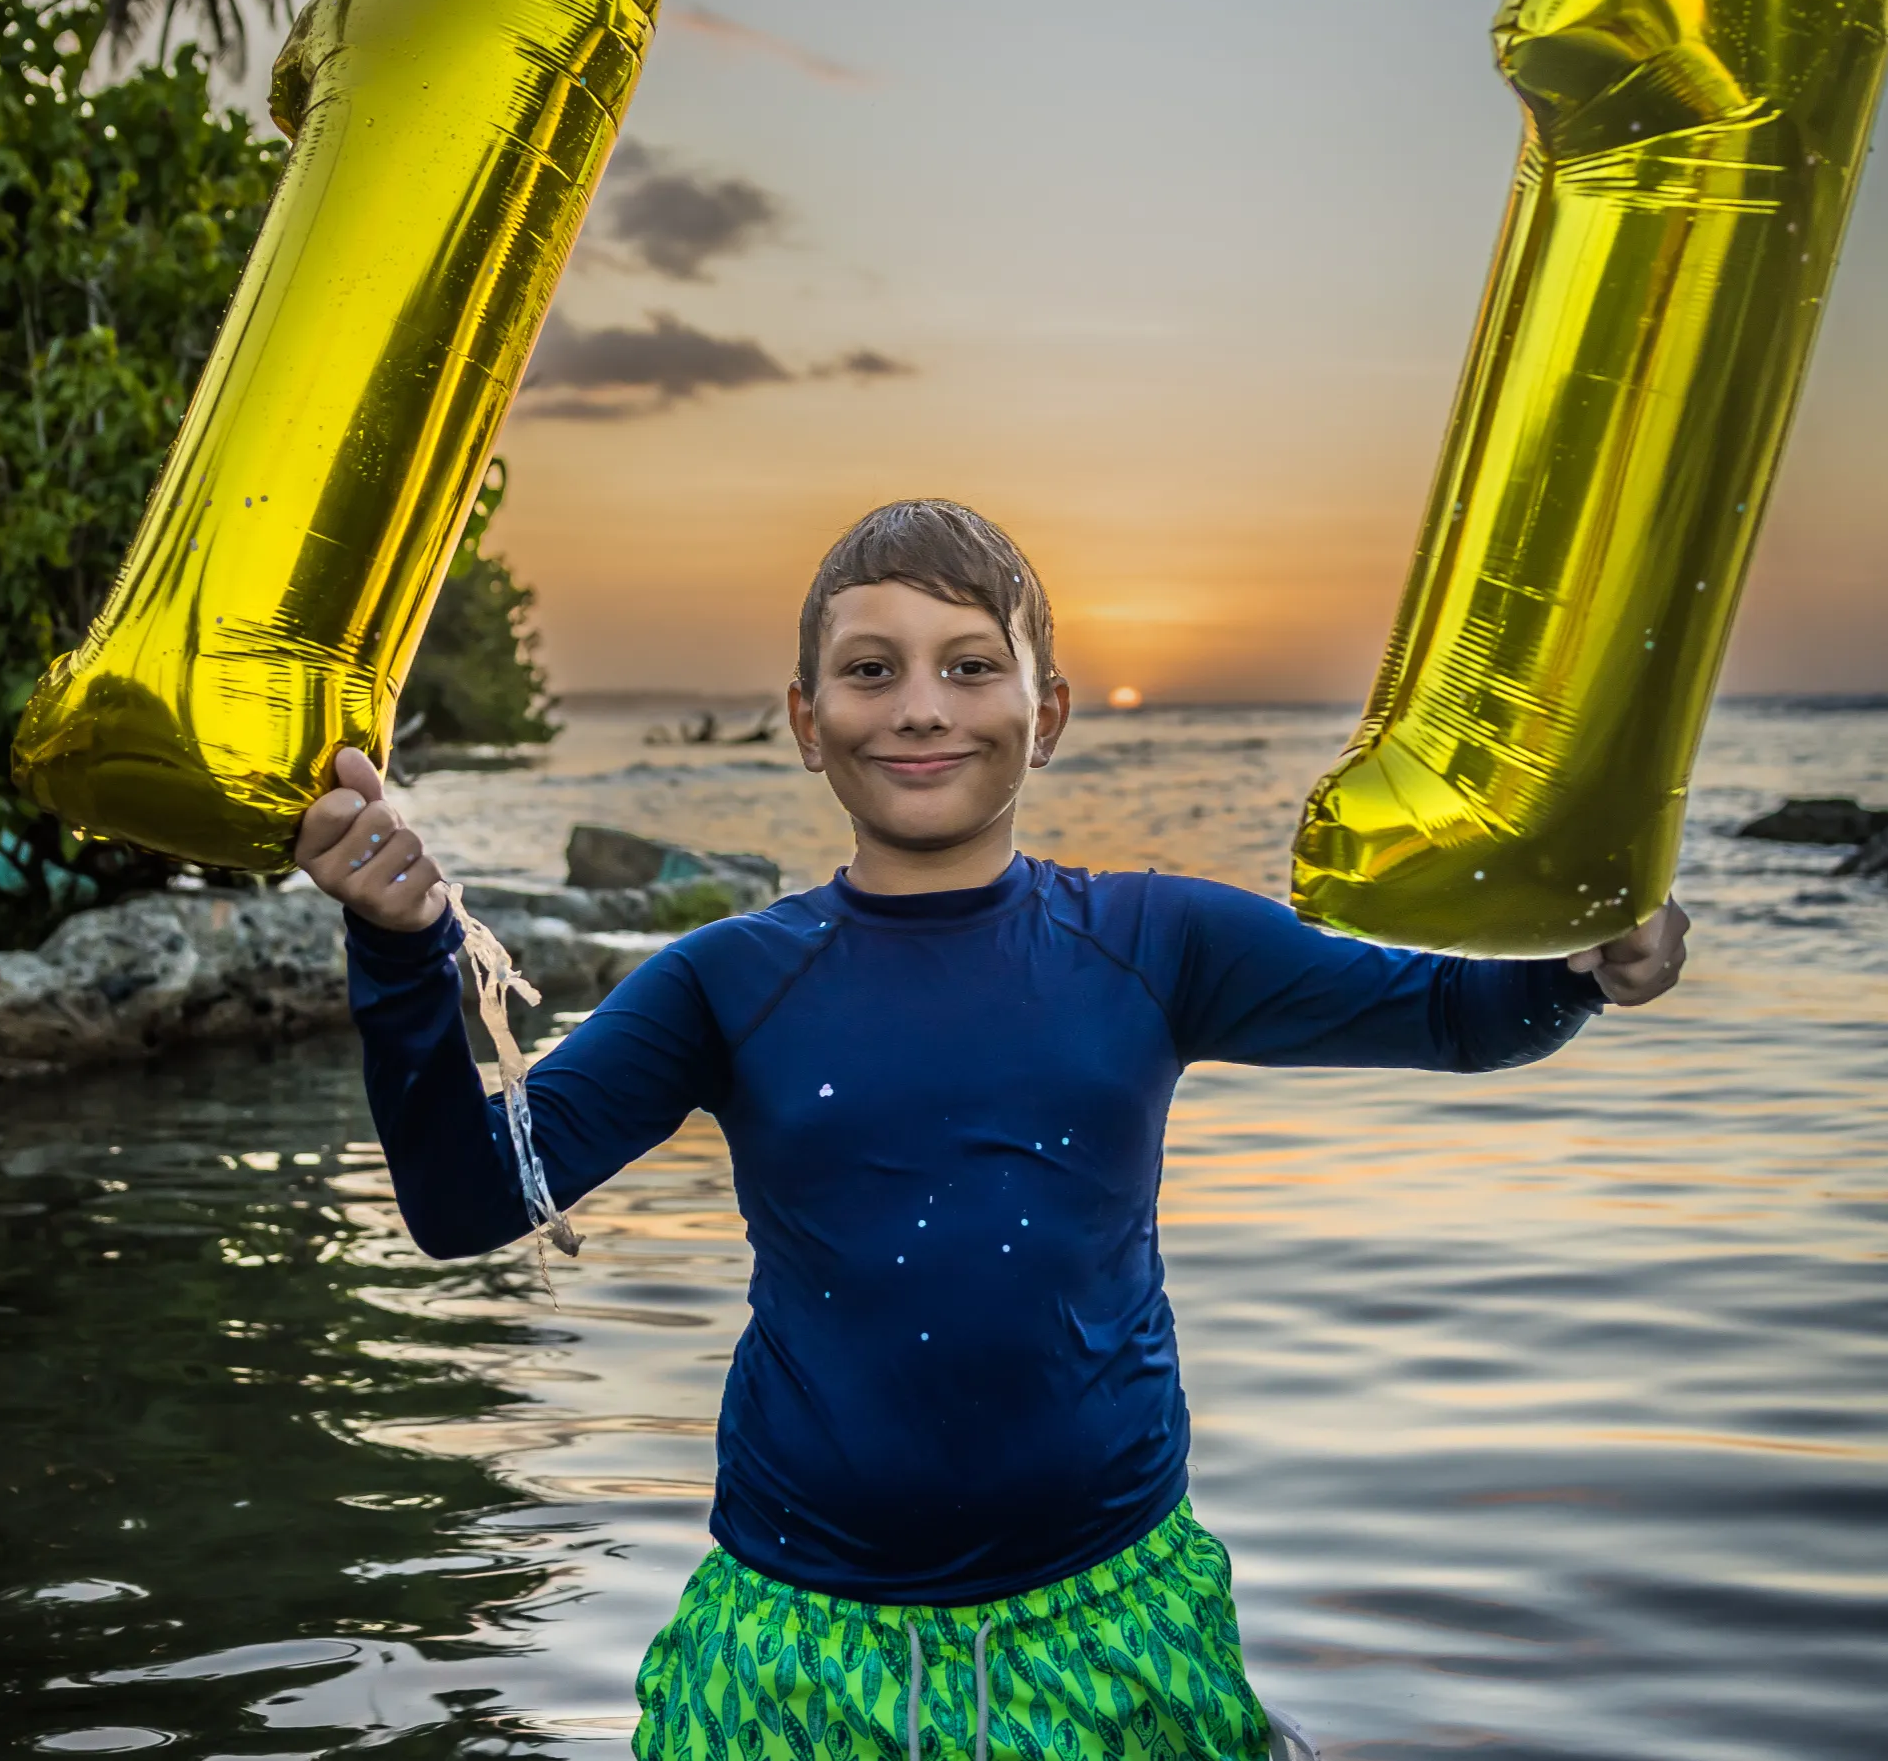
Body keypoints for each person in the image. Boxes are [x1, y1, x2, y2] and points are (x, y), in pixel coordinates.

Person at [299, 498, 1689, 1761]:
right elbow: (470, 1198)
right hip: (796, 1651)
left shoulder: (1156, 938)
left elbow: (1449, 1012)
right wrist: (404, 951)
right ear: (801, 718)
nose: (919, 709)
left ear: (1051, 707)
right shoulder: (725, 978)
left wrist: (1579, 958)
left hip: (1110, 1631)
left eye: (970, 664)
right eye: (870, 668)